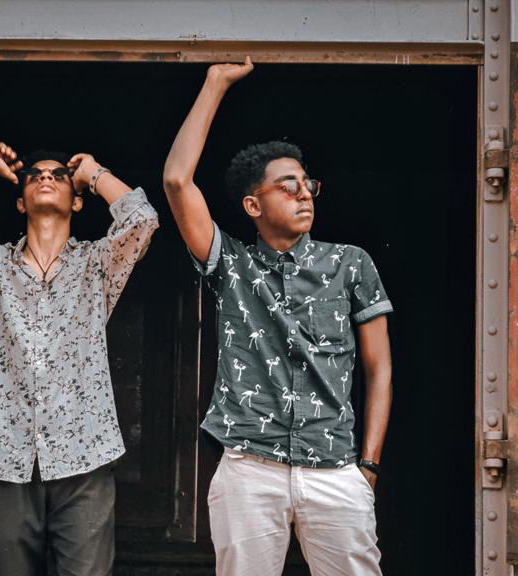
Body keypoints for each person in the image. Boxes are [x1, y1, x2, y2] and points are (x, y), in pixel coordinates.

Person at [162, 59, 393, 575]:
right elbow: (177, 181)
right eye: (287, 186)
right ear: (253, 205)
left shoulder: (350, 263)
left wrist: (368, 467)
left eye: (308, 183)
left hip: (334, 468)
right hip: (249, 467)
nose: (304, 193)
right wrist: (215, 83)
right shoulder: (231, 265)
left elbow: (380, 369)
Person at [0, 142, 159, 575]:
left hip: (84, 456)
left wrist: (93, 172)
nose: (46, 177)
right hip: (1, 455)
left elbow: (142, 219)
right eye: (35, 175)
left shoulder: (98, 264)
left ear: (77, 201)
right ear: (20, 201)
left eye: (59, 175)